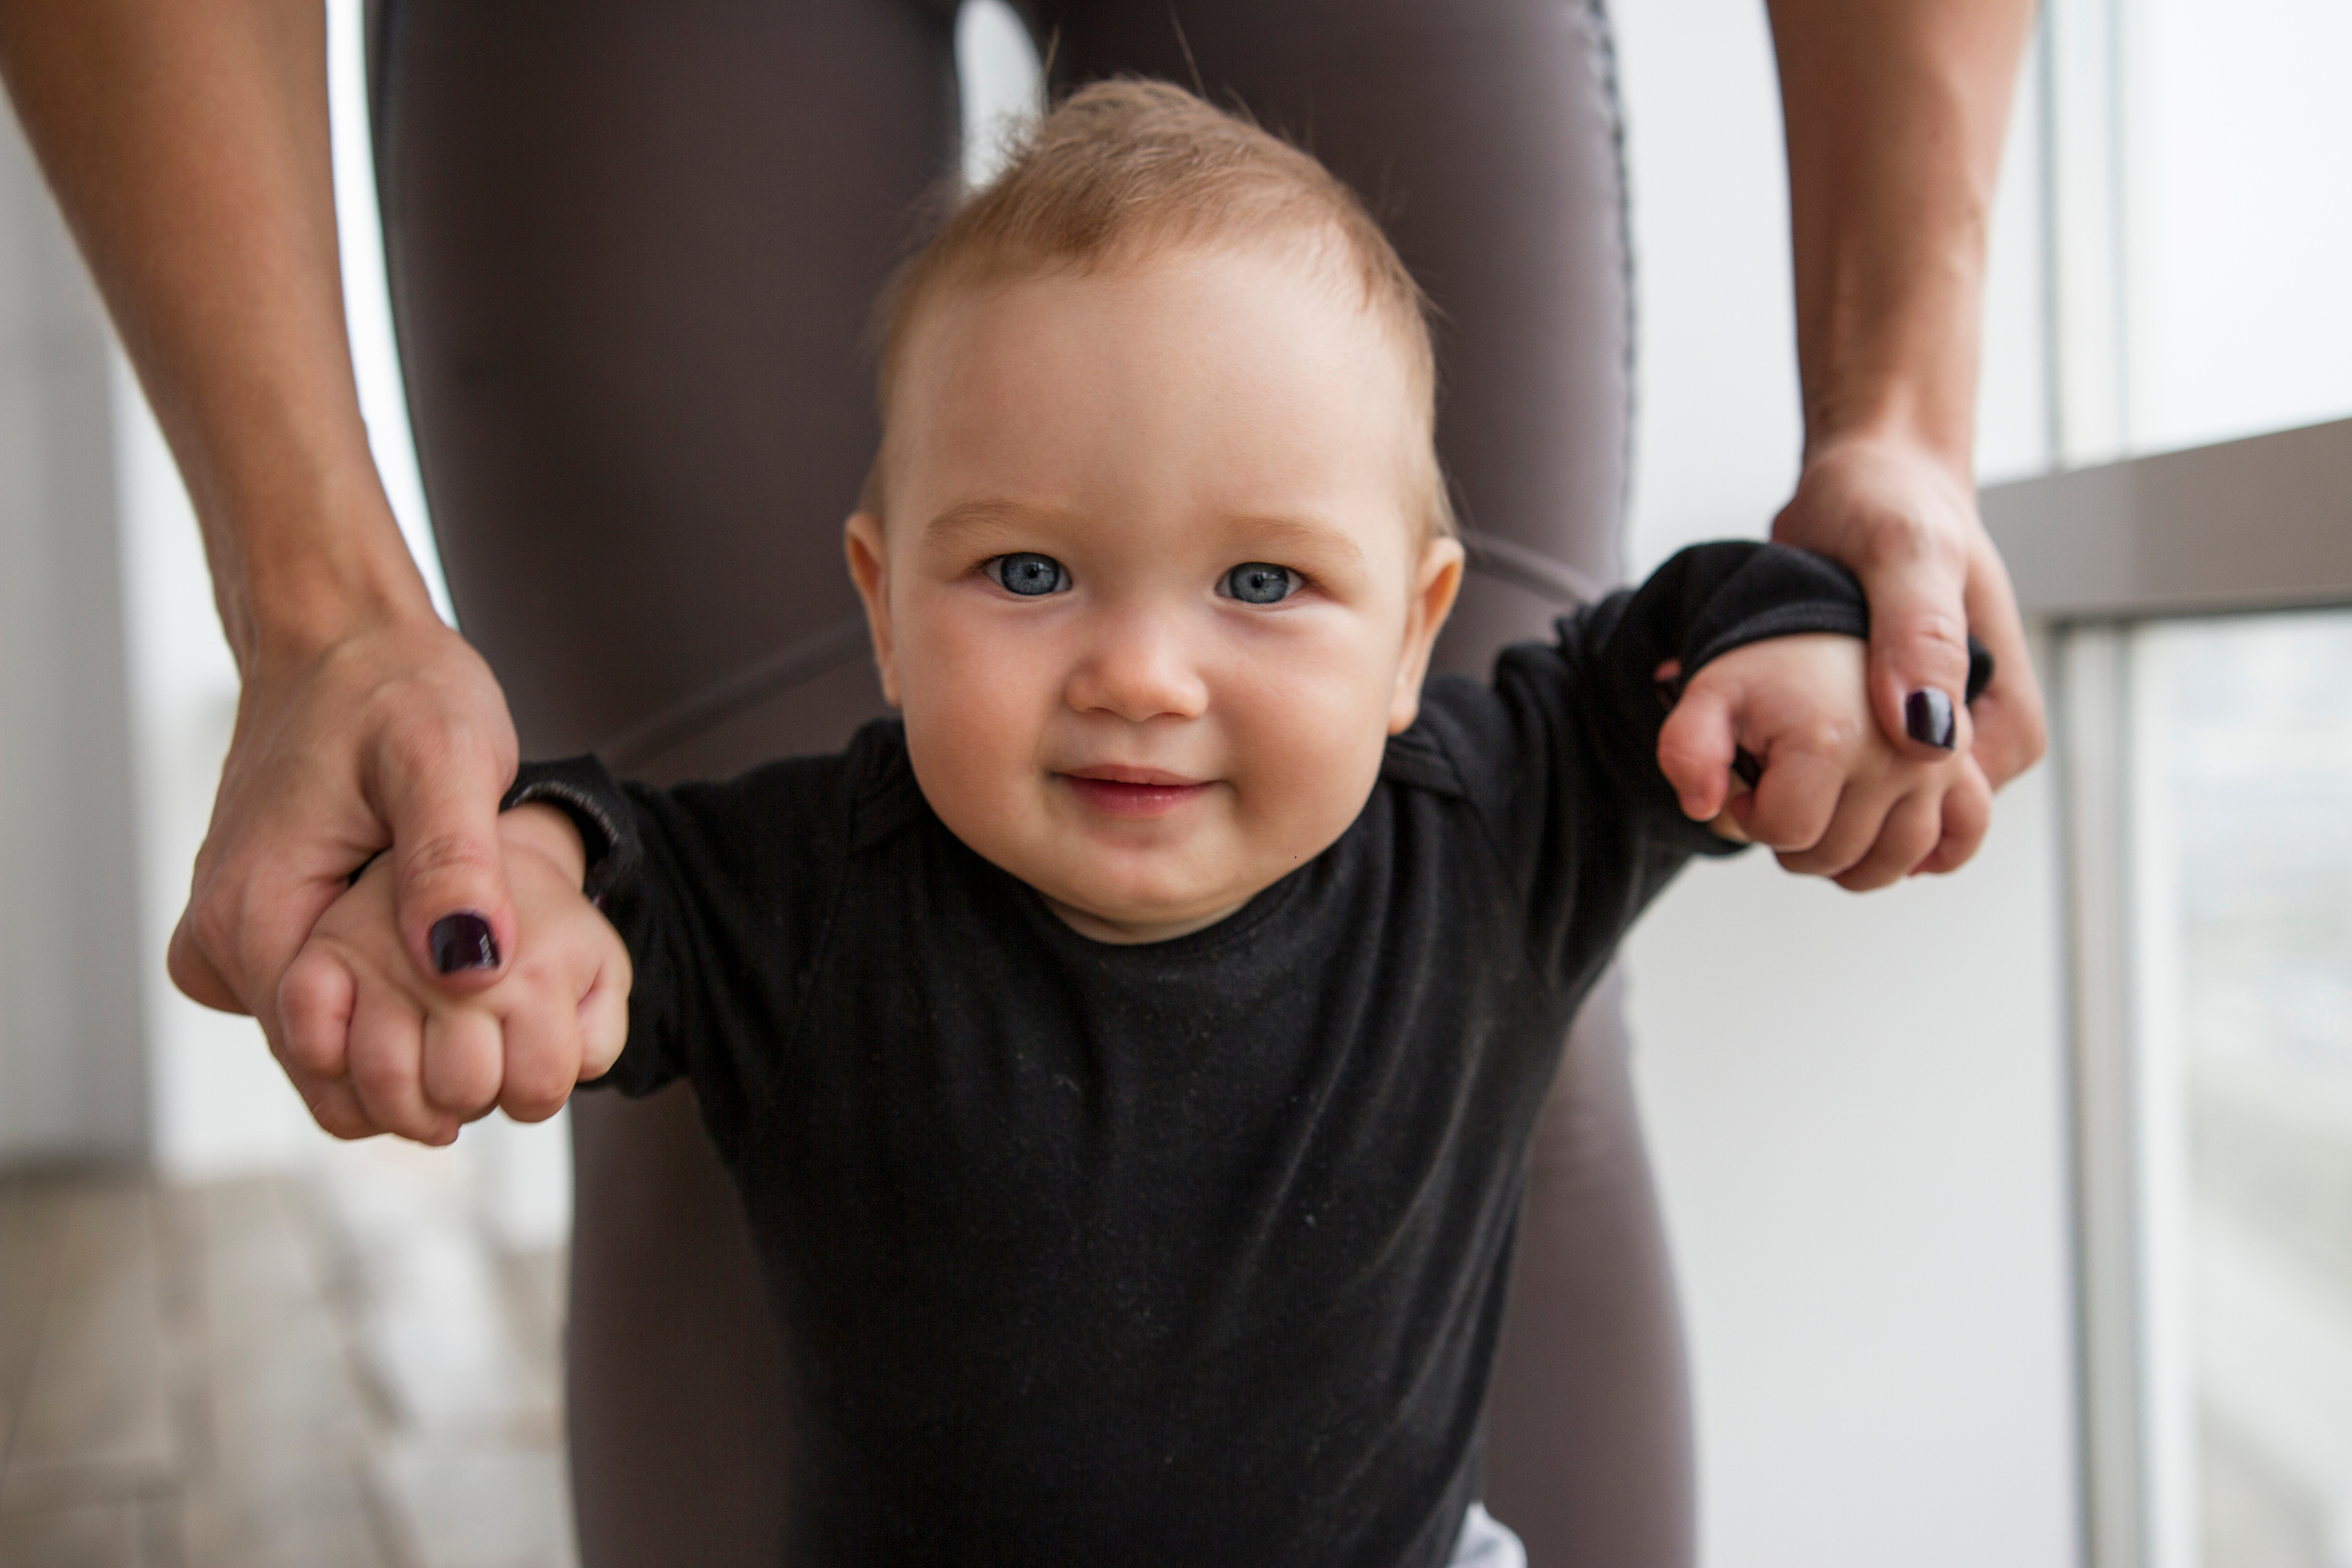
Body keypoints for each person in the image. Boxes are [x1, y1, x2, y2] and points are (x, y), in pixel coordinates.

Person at [0, 2, 2042, 1562]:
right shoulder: (799, 889)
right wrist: (440, 795)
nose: (1140, 668)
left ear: (1414, 623)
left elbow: (1647, 671)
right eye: (1027, 570)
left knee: (1540, 1075)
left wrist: (1840, 538)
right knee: (676, 1127)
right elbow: (615, 871)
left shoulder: (1492, 816)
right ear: (882, 603)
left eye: (1261, 579)